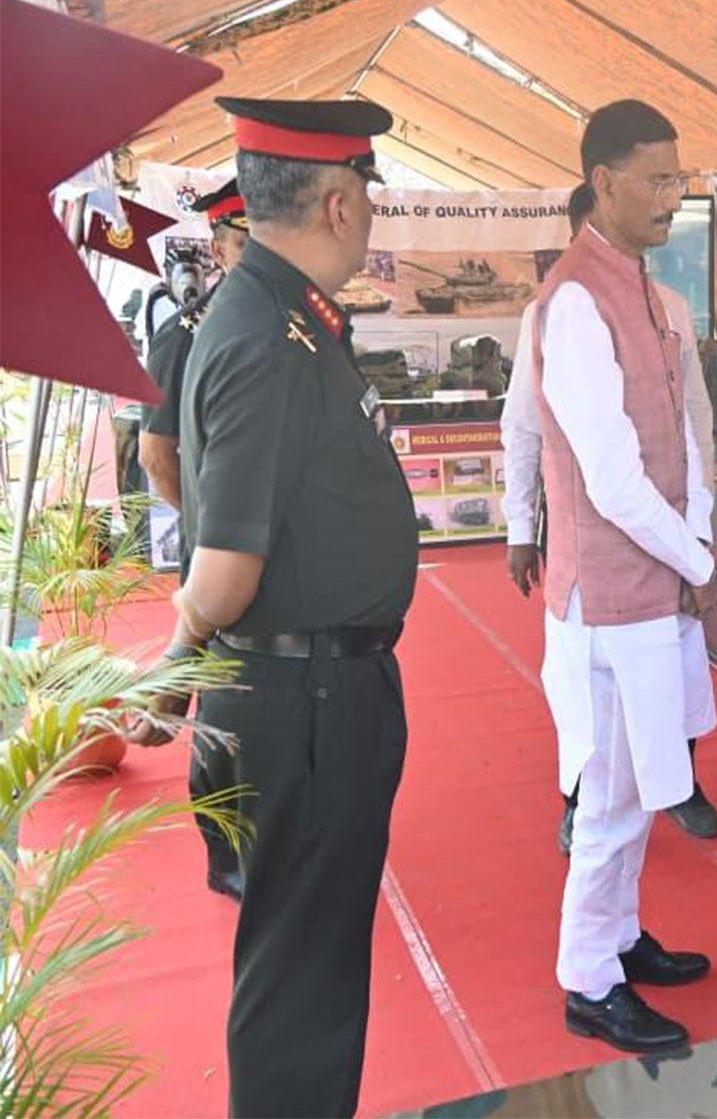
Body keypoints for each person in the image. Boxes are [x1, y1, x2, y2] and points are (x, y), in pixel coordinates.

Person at [165, 95, 416, 1117]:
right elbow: (224, 570)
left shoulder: (281, 316)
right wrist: (172, 664)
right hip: (301, 697)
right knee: (299, 982)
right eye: (367, 200)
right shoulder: (270, 335)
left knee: (301, 961)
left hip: (309, 686)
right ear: (339, 202)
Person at [531, 99, 717, 1054]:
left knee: (650, 780)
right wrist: (698, 560)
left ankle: (618, 935)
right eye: (655, 179)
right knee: (605, 795)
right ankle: (586, 979)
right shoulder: (573, 300)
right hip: (609, 603)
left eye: (679, 179)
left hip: (657, 593)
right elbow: (609, 476)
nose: (672, 196)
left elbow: (682, 433)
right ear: (602, 182)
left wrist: (698, 539)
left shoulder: (642, 286)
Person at [504, 182, 717, 852]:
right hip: (605, 552)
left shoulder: (672, 309)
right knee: (597, 713)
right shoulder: (555, 309)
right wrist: (519, 527)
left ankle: (680, 782)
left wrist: (701, 533)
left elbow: (695, 422)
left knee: (676, 678)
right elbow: (524, 426)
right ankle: (579, 800)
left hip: (673, 534)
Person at [129, 179, 252, 904]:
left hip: (259, 545)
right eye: (240, 245)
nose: (251, 258)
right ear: (217, 247)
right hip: (217, 545)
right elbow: (155, 454)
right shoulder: (184, 332)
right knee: (212, 697)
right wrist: (207, 518)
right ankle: (222, 847)